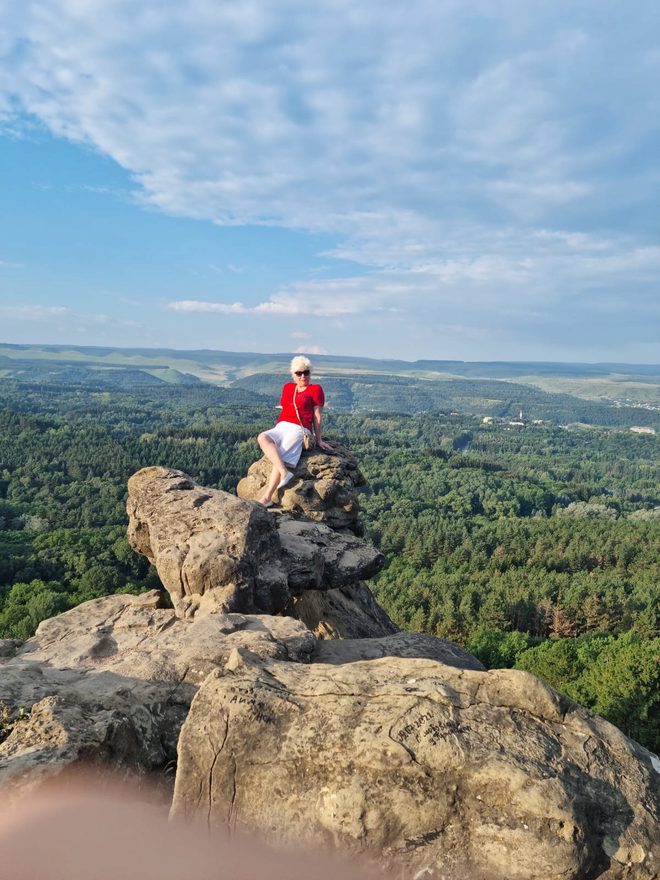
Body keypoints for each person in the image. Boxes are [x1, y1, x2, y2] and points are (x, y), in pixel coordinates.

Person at [256, 355, 332, 506]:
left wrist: (319, 439)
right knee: (262, 437)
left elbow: (317, 416)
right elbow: (286, 409)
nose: (303, 376)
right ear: (293, 374)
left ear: (310, 373)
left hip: (301, 428)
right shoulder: (288, 387)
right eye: (299, 373)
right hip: (282, 425)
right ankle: (284, 472)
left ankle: (267, 498)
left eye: (306, 372)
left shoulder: (316, 390)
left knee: (282, 453)